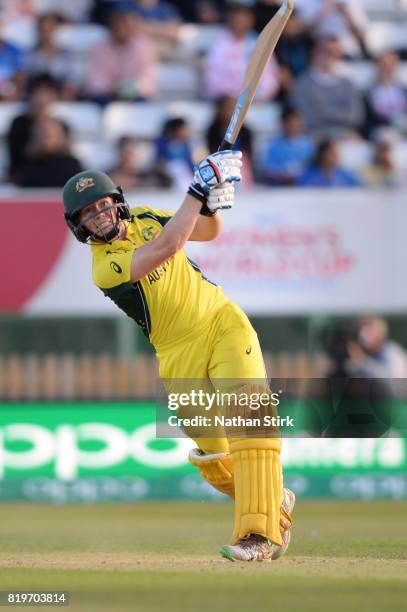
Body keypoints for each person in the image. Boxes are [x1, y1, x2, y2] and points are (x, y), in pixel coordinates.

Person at [62, 149, 295, 562]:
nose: (100, 215)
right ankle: (274, 500)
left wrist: (212, 200)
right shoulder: (105, 267)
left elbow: (206, 231)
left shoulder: (148, 217)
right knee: (213, 456)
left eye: (103, 204)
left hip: (221, 322)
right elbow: (169, 247)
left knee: (248, 420)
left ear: (117, 202)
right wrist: (195, 188)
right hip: (175, 351)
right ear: (79, 226)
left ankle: (258, 537)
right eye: (89, 213)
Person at [203, 0, 280, 101]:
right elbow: (211, 78)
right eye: (237, 16)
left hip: (254, 103)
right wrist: (232, 95)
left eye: (245, 16)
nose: (240, 21)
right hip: (225, 102)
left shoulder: (260, 43)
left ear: (251, 19)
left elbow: (270, 78)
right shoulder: (218, 43)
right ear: (230, 17)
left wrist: (253, 96)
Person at [290, 35, 365, 138]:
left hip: (343, 134)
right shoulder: (302, 83)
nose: (331, 57)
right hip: (312, 135)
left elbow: (355, 116)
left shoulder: (348, 84)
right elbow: (301, 115)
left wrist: (323, 112)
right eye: (326, 52)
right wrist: (337, 115)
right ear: (314, 52)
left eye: (336, 53)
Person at [86, 6, 157, 103]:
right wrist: (112, 90)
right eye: (118, 25)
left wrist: (125, 90)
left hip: (134, 96)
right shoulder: (99, 48)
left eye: (125, 25)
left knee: (142, 103)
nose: (121, 29)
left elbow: (145, 81)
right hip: (106, 96)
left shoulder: (144, 47)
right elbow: (95, 81)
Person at [6, 74, 60, 180]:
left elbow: (64, 152)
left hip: (55, 170)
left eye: (48, 92)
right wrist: (36, 143)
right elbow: (16, 158)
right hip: (28, 171)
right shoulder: (19, 124)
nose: (43, 98)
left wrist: (56, 142)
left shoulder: (60, 123)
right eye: (39, 92)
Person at [14, 116, 82, 187]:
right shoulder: (25, 166)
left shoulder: (71, 166)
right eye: (38, 134)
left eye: (47, 135)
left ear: (61, 137)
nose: (42, 138)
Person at [262, 108, 315, 186]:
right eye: (290, 123)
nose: (293, 126)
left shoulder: (309, 144)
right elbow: (268, 171)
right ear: (283, 124)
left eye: (296, 122)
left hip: (305, 188)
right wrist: (284, 176)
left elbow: (314, 169)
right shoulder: (273, 145)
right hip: (280, 188)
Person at [298, 139, 362, 187]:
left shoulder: (346, 176)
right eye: (332, 153)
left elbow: (360, 190)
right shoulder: (308, 176)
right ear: (322, 155)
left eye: (337, 152)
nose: (336, 156)